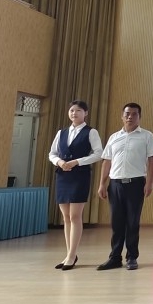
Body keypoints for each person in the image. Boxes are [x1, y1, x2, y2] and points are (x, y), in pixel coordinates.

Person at [96, 103, 153, 271]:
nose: (130, 117)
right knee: (116, 222)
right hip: (115, 184)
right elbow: (107, 161)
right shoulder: (114, 137)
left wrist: (149, 182)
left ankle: (132, 257)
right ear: (122, 116)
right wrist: (102, 183)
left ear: (139, 117)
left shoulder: (147, 136)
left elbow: (152, 160)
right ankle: (115, 257)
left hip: (136, 184)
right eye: (127, 114)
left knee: (132, 222)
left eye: (134, 114)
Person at [48, 99, 103, 270]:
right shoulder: (61, 132)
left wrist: (77, 162)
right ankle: (68, 254)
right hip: (63, 176)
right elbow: (52, 153)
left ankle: (72, 255)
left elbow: (99, 154)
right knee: (66, 217)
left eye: (78, 110)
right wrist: (59, 162)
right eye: (72, 110)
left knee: (75, 216)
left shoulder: (91, 132)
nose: (74, 113)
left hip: (80, 176)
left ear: (85, 113)